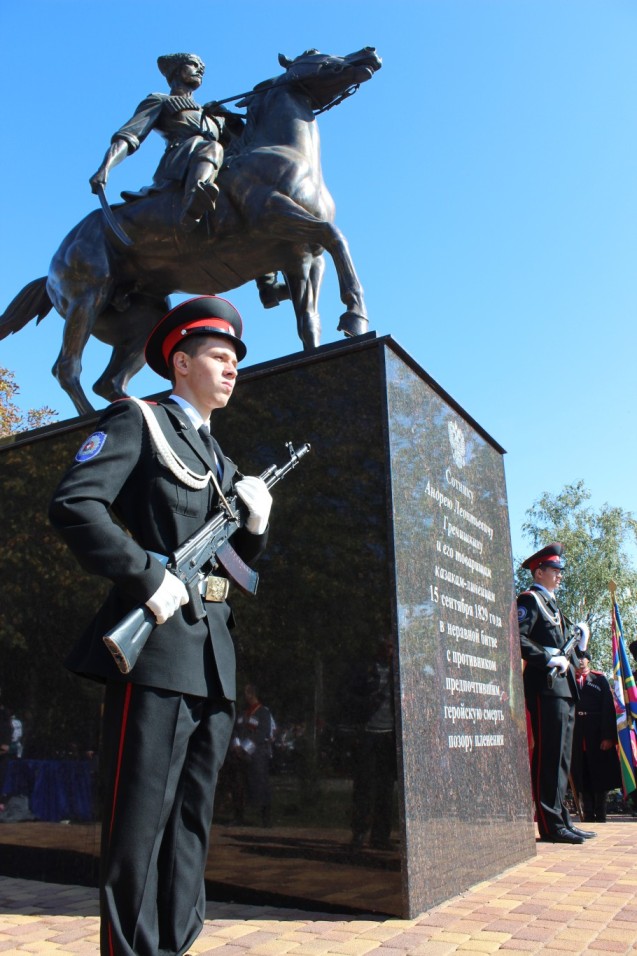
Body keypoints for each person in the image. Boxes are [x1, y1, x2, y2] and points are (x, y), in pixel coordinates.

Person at [49, 295, 272, 956]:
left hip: (213, 664)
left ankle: (175, 944)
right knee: (139, 826)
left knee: (188, 830)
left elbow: (228, 568)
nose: (232, 369)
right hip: (153, 659)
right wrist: (147, 575)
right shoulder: (137, 422)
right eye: (219, 356)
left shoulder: (220, 459)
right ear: (180, 362)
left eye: (236, 359)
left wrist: (254, 530)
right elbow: (75, 505)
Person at [89, 53, 243, 231]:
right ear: (176, 71)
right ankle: (194, 199)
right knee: (213, 147)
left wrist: (231, 120)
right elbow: (129, 136)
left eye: (202, 68)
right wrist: (105, 167)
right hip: (179, 160)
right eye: (193, 64)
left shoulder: (213, 114)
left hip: (214, 163)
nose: (199, 70)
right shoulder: (160, 101)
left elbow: (246, 146)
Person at [517, 542, 595, 844]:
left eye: (561, 570)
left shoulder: (553, 607)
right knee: (549, 756)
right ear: (539, 571)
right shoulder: (530, 600)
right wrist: (547, 657)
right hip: (545, 689)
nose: (560, 575)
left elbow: (572, 657)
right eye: (555, 570)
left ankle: (562, 820)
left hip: (563, 690)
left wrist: (582, 648)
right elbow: (518, 638)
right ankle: (550, 826)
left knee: (562, 758)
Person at [349, 637, 397, 851]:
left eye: (391, 647)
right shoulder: (366, 670)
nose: (389, 651)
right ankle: (360, 833)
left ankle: (381, 836)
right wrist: (368, 702)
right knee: (364, 787)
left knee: (386, 789)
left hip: (389, 736)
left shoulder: (398, 673)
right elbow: (349, 697)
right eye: (385, 647)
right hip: (368, 733)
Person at [571, 650, 621, 823]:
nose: (580, 661)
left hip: (596, 734)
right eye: (577, 658)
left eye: (583, 658)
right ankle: (588, 813)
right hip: (577, 734)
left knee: (599, 774)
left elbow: (608, 709)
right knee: (582, 773)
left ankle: (601, 814)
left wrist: (608, 736)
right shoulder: (568, 679)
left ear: (588, 661)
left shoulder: (599, 680)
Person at [227, 683, 275, 827]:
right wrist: (236, 745)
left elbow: (262, 733)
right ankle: (238, 816)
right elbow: (235, 729)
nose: (243, 696)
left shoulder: (263, 713)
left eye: (245, 693)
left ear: (251, 694)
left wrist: (245, 748)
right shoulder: (242, 713)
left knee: (260, 785)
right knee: (238, 786)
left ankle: (265, 819)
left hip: (257, 755)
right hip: (239, 756)